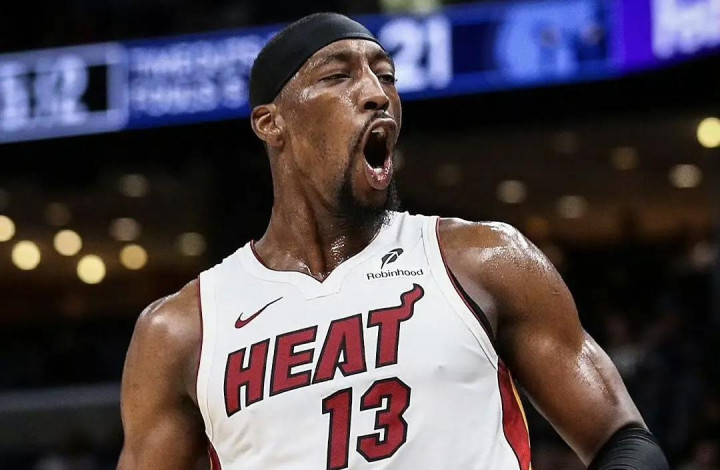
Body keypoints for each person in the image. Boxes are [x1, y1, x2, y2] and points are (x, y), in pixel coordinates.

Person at [116, 12, 669, 470]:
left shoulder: (482, 260)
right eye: (338, 76)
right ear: (271, 123)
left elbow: (625, 442)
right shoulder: (183, 328)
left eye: (386, 76)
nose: (377, 94)